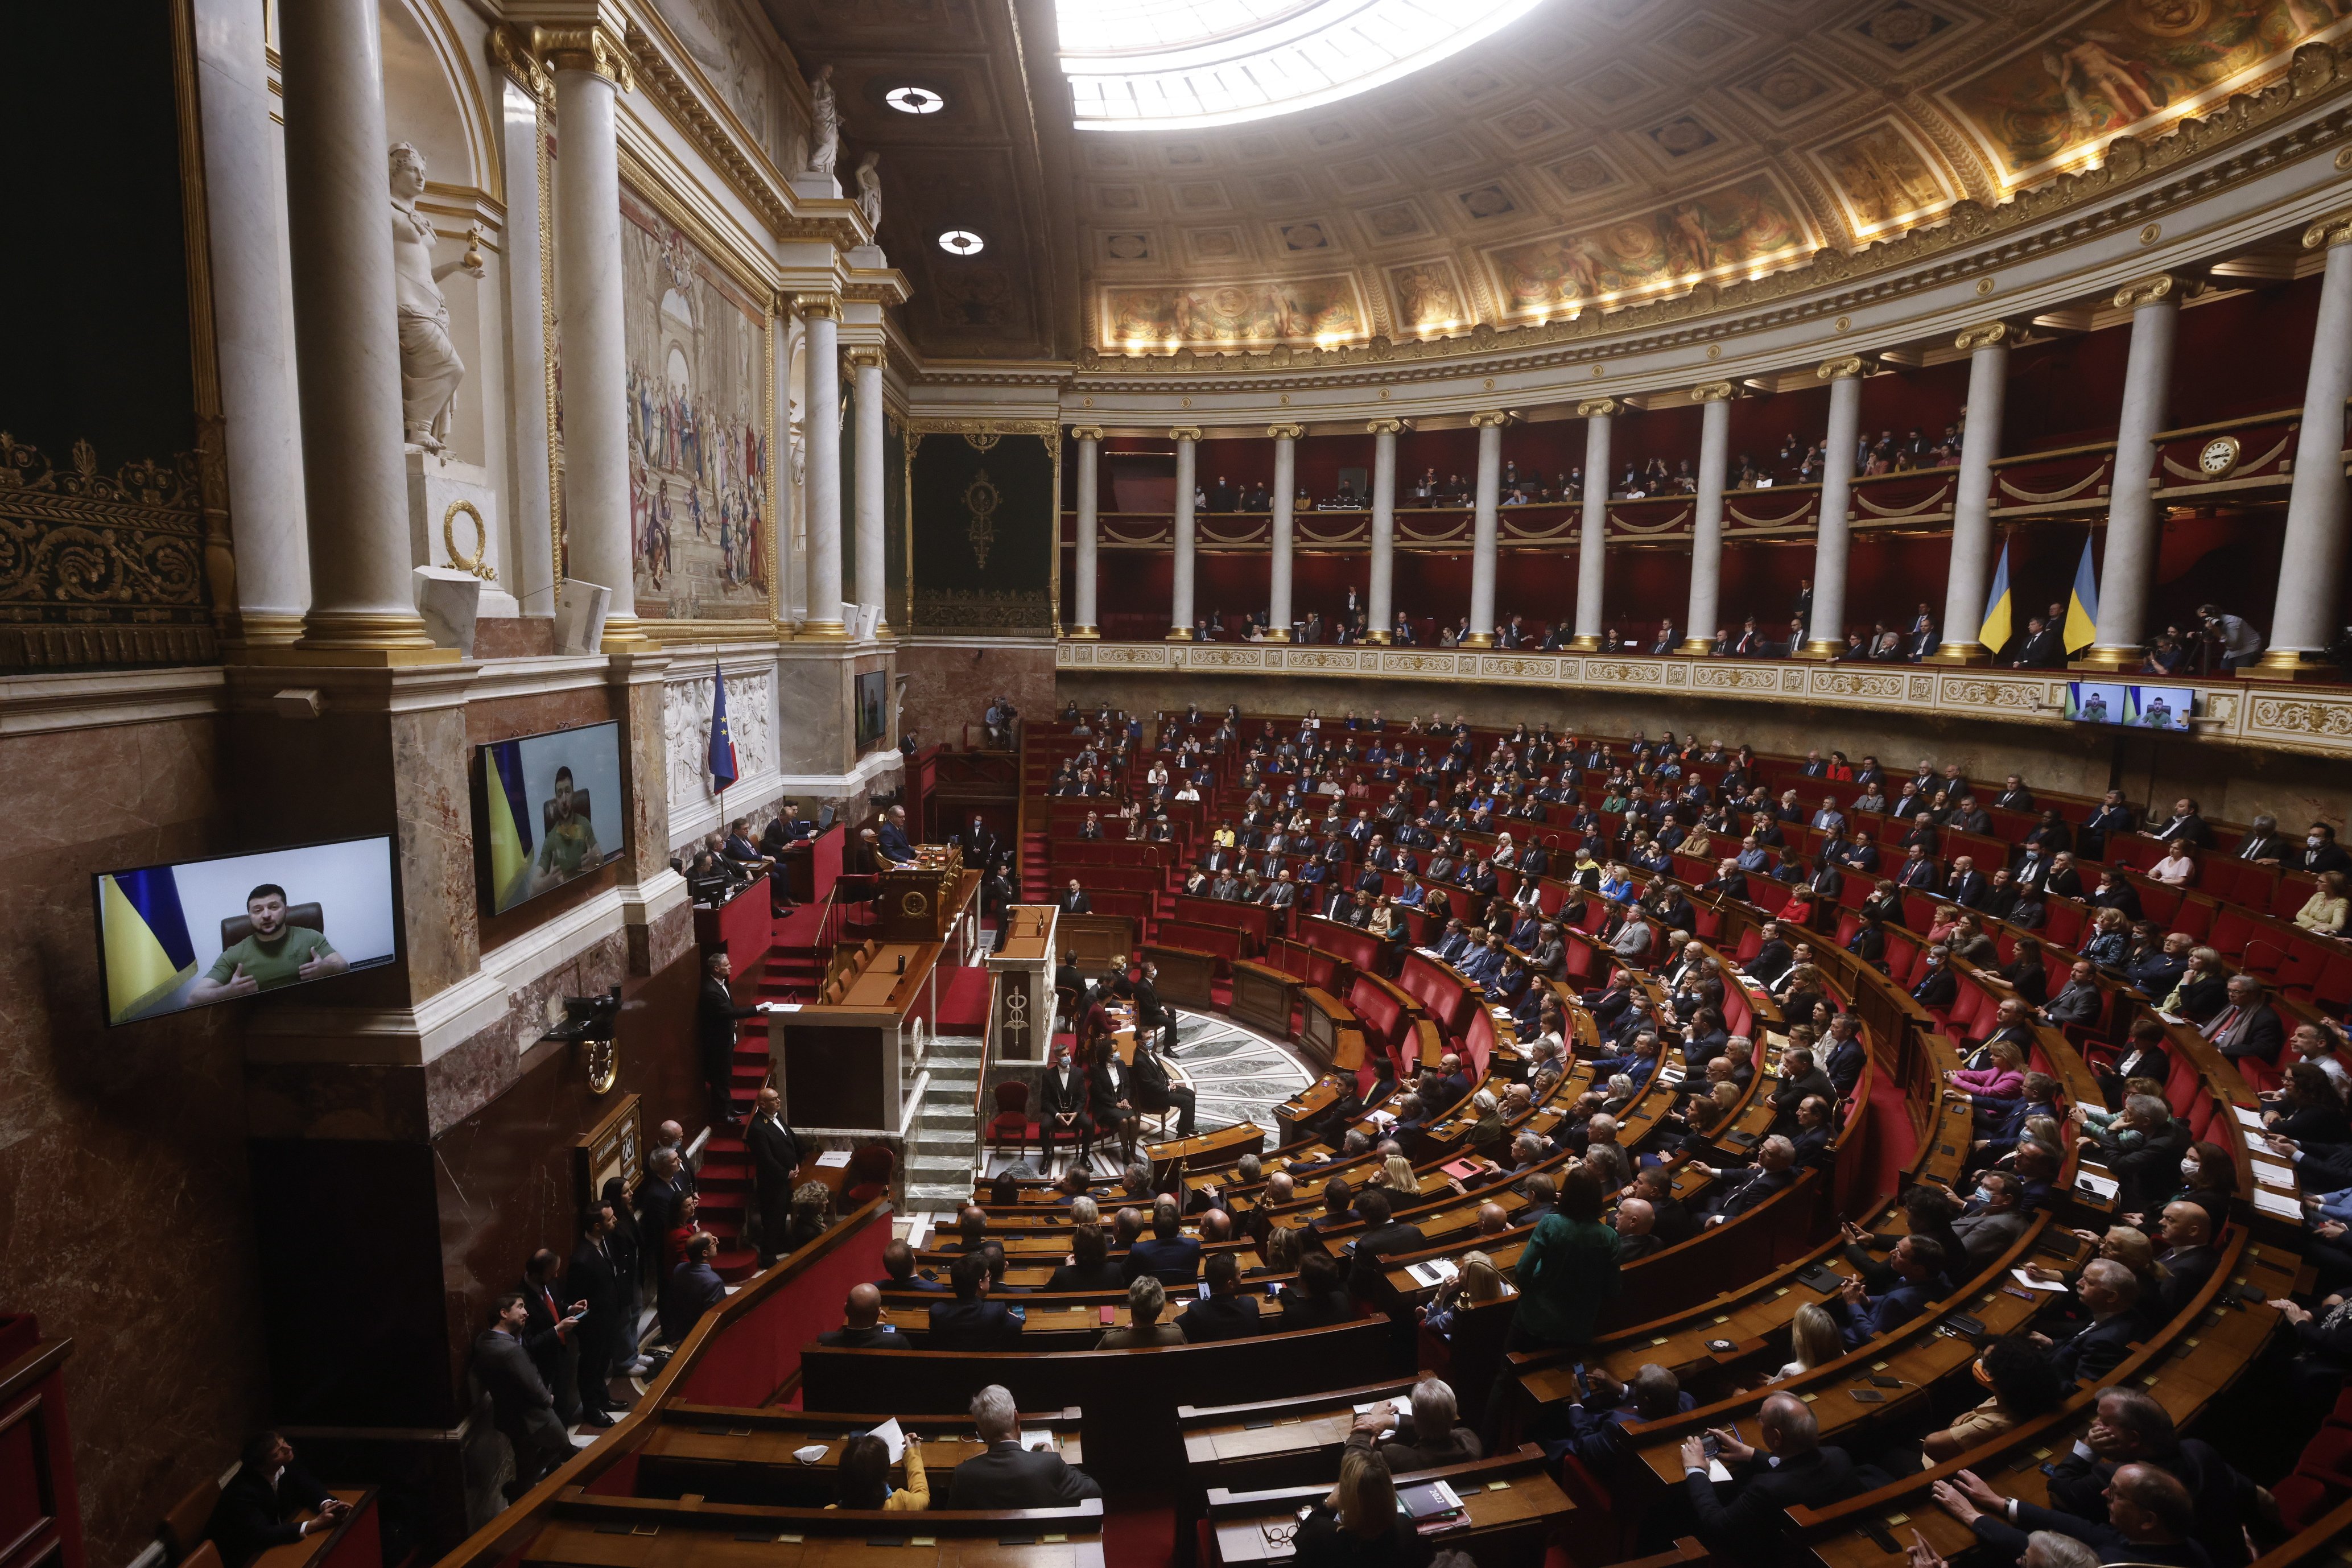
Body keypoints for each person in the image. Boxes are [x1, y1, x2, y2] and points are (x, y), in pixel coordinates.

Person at [1678, 1393, 1861, 1562]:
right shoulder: (1839, 1456)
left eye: (1760, 1419)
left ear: (1776, 1438)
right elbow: (1799, 1467)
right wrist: (1750, 1453)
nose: (1759, 1421)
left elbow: (1716, 1525)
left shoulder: (1766, 1489)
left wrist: (1695, 1469)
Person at [1932, 1460, 2209, 1568]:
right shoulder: (2177, 1542)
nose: (2103, 1495)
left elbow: (2038, 1553)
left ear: (2148, 1520)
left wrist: (1970, 1515)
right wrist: (1997, 1502)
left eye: (2116, 1493)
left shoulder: (2116, 1565)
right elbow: (2081, 1528)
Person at [474, 1294, 574, 1492]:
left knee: (525, 1459)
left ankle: (521, 1497)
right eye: (520, 1307)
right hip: (533, 1415)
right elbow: (532, 1384)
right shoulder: (511, 1351)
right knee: (560, 1443)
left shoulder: (485, 1340)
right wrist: (548, 1399)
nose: (526, 1312)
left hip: (508, 1416)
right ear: (503, 1313)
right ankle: (518, 1489)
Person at [187, 883, 348, 1002]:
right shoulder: (234, 953)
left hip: (309, 1012)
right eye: (257, 910)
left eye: (273, 907)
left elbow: (344, 966)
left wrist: (327, 969)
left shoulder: (311, 937)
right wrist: (228, 991)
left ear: (286, 910)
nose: (266, 915)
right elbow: (193, 999)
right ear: (249, 916)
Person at [945, 1385, 1102, 1507]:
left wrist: (982, 1455)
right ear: (1017, 1418)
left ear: (981, 1433)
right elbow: (1094, 1490)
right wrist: (1049, 1459)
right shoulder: (1049, 1464)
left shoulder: (963, 1475)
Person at [207, 1432, 349, 1566]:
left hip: (272, 1540)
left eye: (284, 1442)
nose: (289, 1448)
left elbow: (307, 1484)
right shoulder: (242, 1493)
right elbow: (262, 1535)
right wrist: (316, 1524)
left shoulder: (286, 1461)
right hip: (243, 1557)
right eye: (278, 1453)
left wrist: (328, 1504)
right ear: (262, 1466)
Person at [1291, 1446, 1430, 1567]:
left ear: (1346, 1498)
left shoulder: (1324, 1534)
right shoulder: (1404, 1527)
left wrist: (1327, 1505)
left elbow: (1299, 1539)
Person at [568, 1203, 630, 1426]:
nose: (615, 1221)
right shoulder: (581, 1259)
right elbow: (577, 1301)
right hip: (594, 1327)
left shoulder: (605, 1241)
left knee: (603, 1363)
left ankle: (603, 1399)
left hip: (610, 1317)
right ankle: (592, 1409)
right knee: (591, 1368)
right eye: (610, 1219)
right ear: (597, 1226)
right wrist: (588, 1329)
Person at [1348, 1377, 1482, 1472]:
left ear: (1415, 1416)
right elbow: (1440, 1425)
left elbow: (1353, 1463)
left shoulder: (1397, 1457)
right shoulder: (1471, 1444)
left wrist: (1369, 1418)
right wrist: (1392, 1420)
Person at [698, 950, 762, 1128]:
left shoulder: (721, 984)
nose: (731, 967)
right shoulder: (710, 991)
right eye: (727, 965)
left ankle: (729, 1108)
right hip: (717, 1044)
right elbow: (729, 1012)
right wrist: (757, 1009)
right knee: (720, 1079)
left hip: (725, 1038)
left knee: (726, 1077)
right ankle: (722, 1115)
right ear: (717, 969)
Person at [745, 1086, 800, 1266]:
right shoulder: (758, 1128)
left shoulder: (777, 1116)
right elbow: (766, 1159)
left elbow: (788, 1138)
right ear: (762, 1104)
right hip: (773, 1182)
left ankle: (779, 1245)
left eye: (778, 1098)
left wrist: (796, 1162)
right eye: (774, 1099)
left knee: (781, 1214)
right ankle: (768, 1257)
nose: (779, 1101)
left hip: (786, 1177)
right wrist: (786, 1173)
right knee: (772, 1219)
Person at [831, 1429, 929, 1512]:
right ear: (885, 1476)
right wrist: (913, 1453)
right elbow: (923, 1496)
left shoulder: (831, 1513)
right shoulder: (902, 1504)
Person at [1176, 1251, 1264, 1342]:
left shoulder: (1197, 1310)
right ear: (1230, 1284)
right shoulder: (1250, 1305)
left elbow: (1177, 1323)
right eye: (1239, 1272)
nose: (1241, 1274)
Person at [659, 1232, 726, 1343]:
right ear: (705, 1253)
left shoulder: (679, 1269)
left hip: (682, 1331)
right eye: (713, 1244)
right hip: (700, 1338)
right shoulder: (714, 1282)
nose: (716, 1244)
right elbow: (713, 1319)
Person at [819, 1282, 914, 1350]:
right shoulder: (897, 1342)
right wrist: (874, 1325)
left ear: (845, 1309)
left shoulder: (824, 1341)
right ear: (878, 1314)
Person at [1101, 1274, 1186, 1347]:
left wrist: (1126, 1332)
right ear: (1159, 1311)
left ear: (1131, 1305)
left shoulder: (1111, 1341)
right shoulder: (1176, 1336)